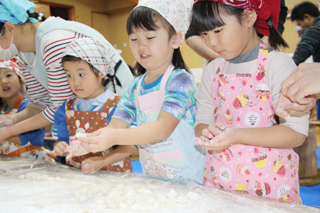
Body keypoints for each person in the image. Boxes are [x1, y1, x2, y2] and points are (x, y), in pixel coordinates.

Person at [191, 0, 308, 203]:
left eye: (218, 30)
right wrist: (206, 132)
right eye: (204, 34)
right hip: (220, 185)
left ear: (248, 17)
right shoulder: (213, 70)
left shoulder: (277, 64)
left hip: (271, 190)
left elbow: (296, 133)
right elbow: (202, 118)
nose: (210, 42)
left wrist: (236, 135)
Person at [79, 0, 206, 184]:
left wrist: (113, 136)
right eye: (134, 39)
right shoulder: (134, 88)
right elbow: (116, 126)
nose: (140, 46)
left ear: (175, 39)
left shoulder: (181, 81)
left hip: (190, 182)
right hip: (154, 180)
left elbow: (162, 128)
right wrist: (92, 140)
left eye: (150, 37)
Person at [0, 0, 134, 143]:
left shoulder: (53, 42)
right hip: (84, 120)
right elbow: (39, 103)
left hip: (111, 113)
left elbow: (58, 107)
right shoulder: (24, 53)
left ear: (9, 28)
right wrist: (10, 120)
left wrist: (9, 131)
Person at [51, 38, 135, 174]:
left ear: (101, 72)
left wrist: (101, 162)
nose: (75, 82)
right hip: (78, 176)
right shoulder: (67, 108)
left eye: (81, 74)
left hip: (113, 177)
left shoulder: (118, 105)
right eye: (69, 75)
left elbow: (130, 145)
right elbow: (62, 140)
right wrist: (59, 146)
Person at [0, 57, 53, 161]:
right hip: (10, 163)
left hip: (32, 161)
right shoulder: (2, 110)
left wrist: (4, 133)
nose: (4, 81)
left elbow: (21, 139)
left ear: (21, 81)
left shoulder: (29, 108)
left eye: (8, 75)